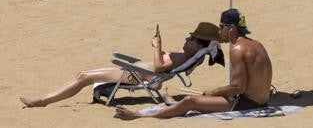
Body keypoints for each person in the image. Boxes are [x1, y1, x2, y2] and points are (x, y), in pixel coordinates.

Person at [114, 9, 272, 120]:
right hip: (262, 101)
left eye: (221, 27)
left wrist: (213, 91)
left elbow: (239, 87)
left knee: (191, 101)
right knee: (200, 98)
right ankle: (174, 104)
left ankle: (140, 115)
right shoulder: (257, 45)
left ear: (231, 29)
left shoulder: (237, 50)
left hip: (246, 104)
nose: (219, 31)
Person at [21, 22, 222, 108]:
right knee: (83, 75)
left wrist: (157, 45)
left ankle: (43, 100)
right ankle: (44, 99)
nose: (187, 38)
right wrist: (161, 50)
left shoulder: (183, 56)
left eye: (191, 38)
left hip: (136, 76)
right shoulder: (187, 54)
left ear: (198, 45)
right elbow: (163, 65)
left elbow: (159, 68)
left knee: (83, 76)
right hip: (137, 72)